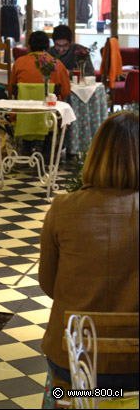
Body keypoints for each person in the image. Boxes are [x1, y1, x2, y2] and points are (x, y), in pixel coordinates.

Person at [39, 112, 139, 406]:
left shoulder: (63, 208)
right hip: (136, 371)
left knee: (62, 394)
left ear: (95, 154)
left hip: (74, 372)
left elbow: (49, 285)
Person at [8, 30, 72, 100]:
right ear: (48, 46)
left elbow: (11, 90)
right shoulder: (56, 63)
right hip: (51, 109)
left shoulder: (19, 63)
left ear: (29, 46)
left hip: (22, 109)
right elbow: (65, 91)